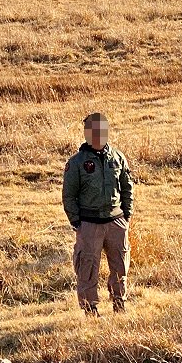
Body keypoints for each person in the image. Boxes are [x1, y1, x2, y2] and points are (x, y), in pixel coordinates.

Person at [62, 113, 134, 316]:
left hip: (116, 222)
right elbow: (68, 195)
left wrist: (125, 216)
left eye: (101, 131)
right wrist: (77, 222)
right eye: (93, 131)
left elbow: (127, 188)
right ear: (86, 134)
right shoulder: (76, 163)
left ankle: (119, 304)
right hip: (89, 224)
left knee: (120, 265)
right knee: (88, 267)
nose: (97, 135)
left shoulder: (118, 157)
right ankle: (90, 310)